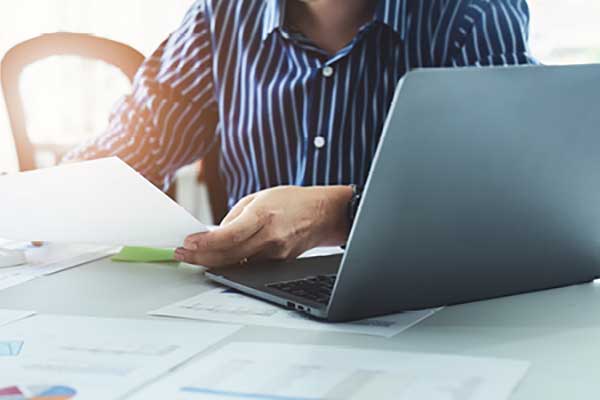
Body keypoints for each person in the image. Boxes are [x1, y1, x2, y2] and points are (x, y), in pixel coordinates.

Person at [65, 0, 536, 267]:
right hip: (254, 306)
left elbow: (518, 195)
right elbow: (135, 147)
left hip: (425, 300)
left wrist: (341, 213)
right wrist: (48, 193)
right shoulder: (220, 15)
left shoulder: (472, 14)